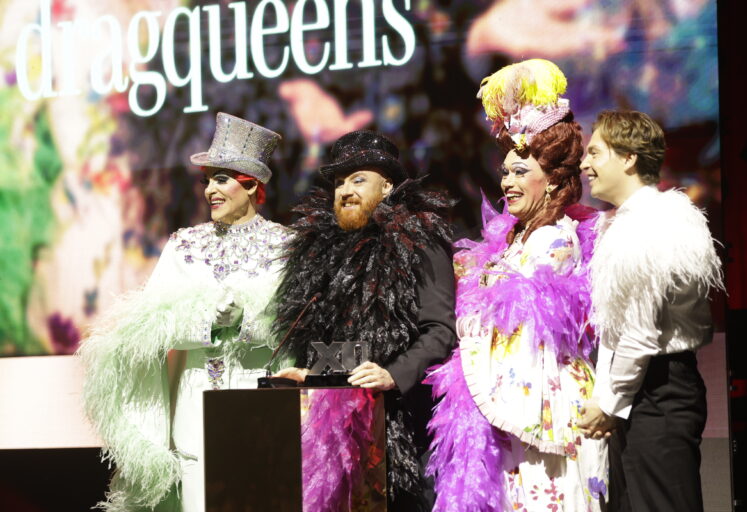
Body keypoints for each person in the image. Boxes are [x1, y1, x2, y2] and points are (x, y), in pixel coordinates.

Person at [78, 113, 292, 511]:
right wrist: (208, 322)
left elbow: (297, 328)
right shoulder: (183, 246)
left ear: (251, 185)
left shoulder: (287, 247)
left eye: (221, 179)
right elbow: (150, 330)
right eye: (207, 180)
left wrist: (246, 322)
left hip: (263, 412)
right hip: (197, 414)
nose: (210, 190)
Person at [426, 59, 609, 511]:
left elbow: (512, 322)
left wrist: (472, 300)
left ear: (553, 180)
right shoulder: (516, 240)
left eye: (520, 171)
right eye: (505, 172)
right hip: (511, 413)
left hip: (544, 407)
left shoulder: (555, 240)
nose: (507, 182)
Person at [272, 130, 457, 511]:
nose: (345, 191)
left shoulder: (420, 239)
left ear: (387, 186)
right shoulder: (322, 252)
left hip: (405, 428)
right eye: (339, 182)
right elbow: (335, 341)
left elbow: (440, 330)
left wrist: (393, 374)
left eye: (358, 180)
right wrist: (311, 376)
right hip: (340, 435)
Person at [578, 110, 723, 511]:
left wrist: (610, 402)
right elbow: (618, 326)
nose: (585, 164)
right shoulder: (628, 221)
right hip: (642, 389)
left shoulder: (653, 222)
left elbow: (640, 332)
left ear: (628, 158)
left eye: (595, 153)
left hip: (658, 390)